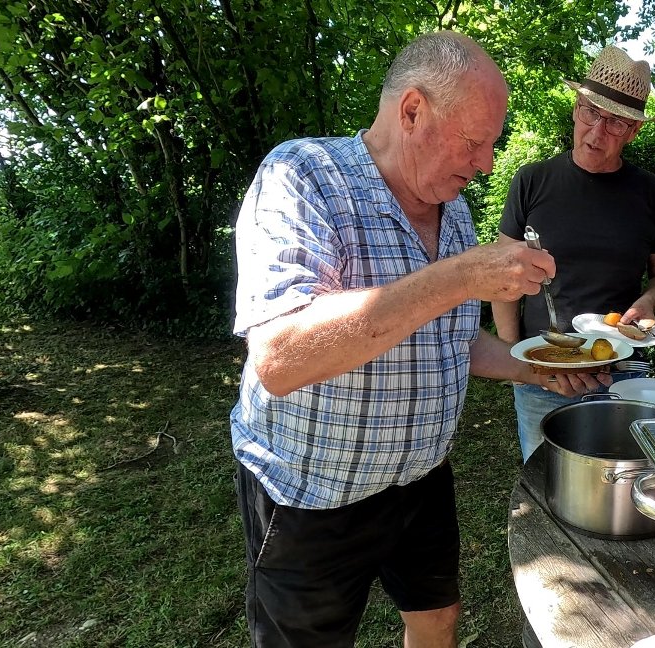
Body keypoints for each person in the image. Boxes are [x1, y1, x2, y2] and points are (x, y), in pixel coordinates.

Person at [228, 31, 585, 648]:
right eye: (474, 141)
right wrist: (458, 277)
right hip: (311, 493)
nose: (486, 164)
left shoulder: (456, 212)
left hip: (421, 479)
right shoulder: (304, 175)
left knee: (436, 619)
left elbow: (452, 341)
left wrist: (535, 366)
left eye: (492, 145)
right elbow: (279, 358)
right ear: (413, 110)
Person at [492, 45, 655, 462]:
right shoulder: (532, 181)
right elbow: (502, 278)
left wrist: (649, 301)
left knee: (618, 479)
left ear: (634, 131)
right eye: (590, 113)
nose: (596, 132)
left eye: (615, 122)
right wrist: (514, 359)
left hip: (623, 373)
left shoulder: (651, 193)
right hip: (546, 372)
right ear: (575, 108)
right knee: (545, 480)